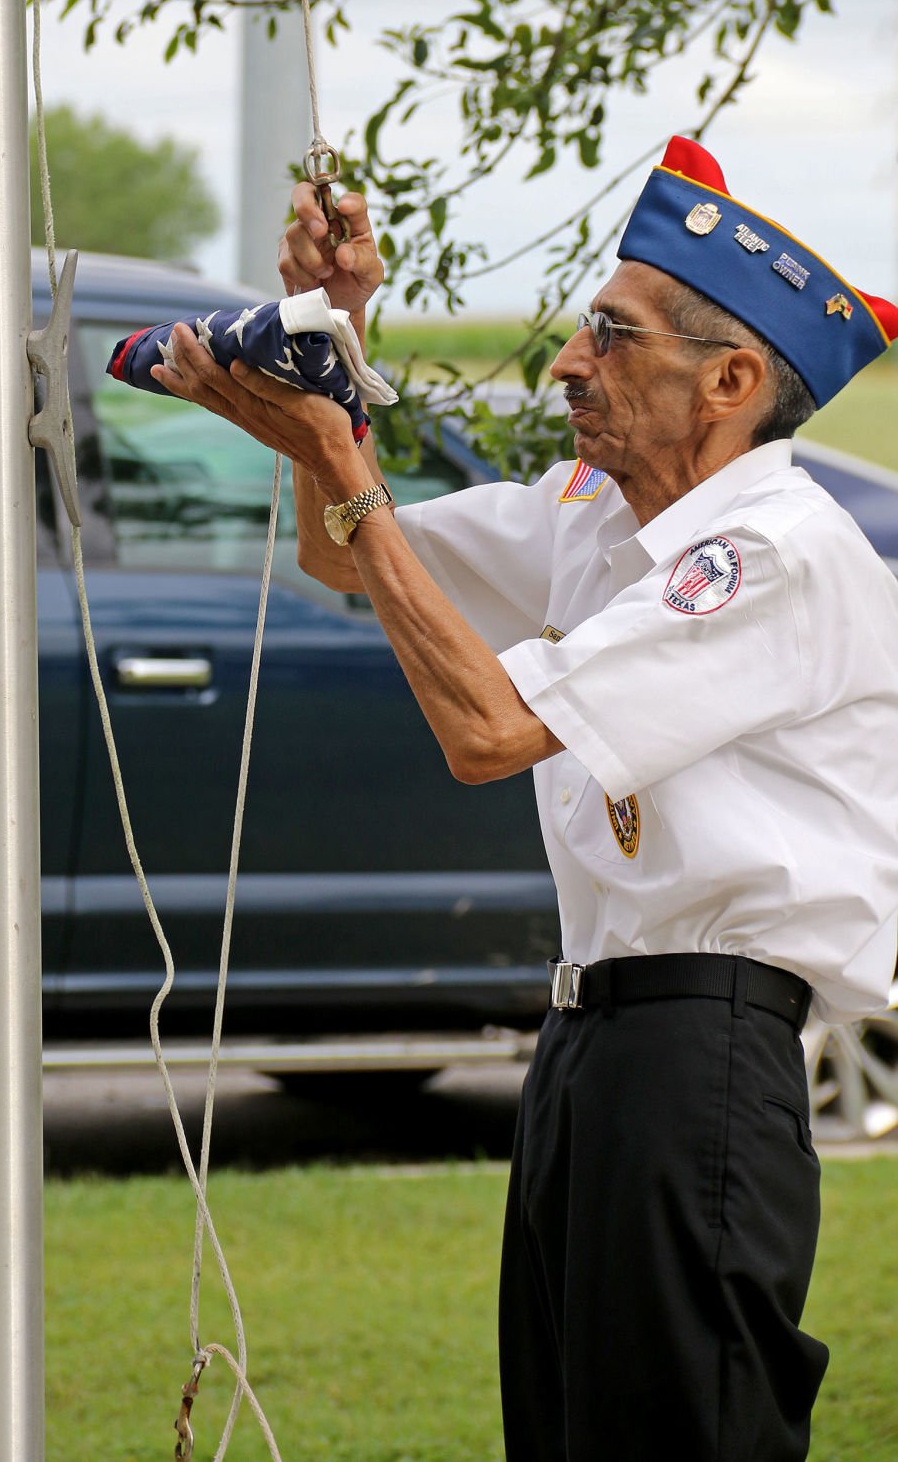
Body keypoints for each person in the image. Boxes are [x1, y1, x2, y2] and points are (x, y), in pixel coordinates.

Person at [149, 135, 898, 1462]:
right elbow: (353, 564)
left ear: (729, 381)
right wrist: (331, 344)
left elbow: (489, 729)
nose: (566, 364)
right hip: (599, 1046)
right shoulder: (602, 527)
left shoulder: (768, 557)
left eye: (611, 339)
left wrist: (338, 441)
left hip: (703, 1060)